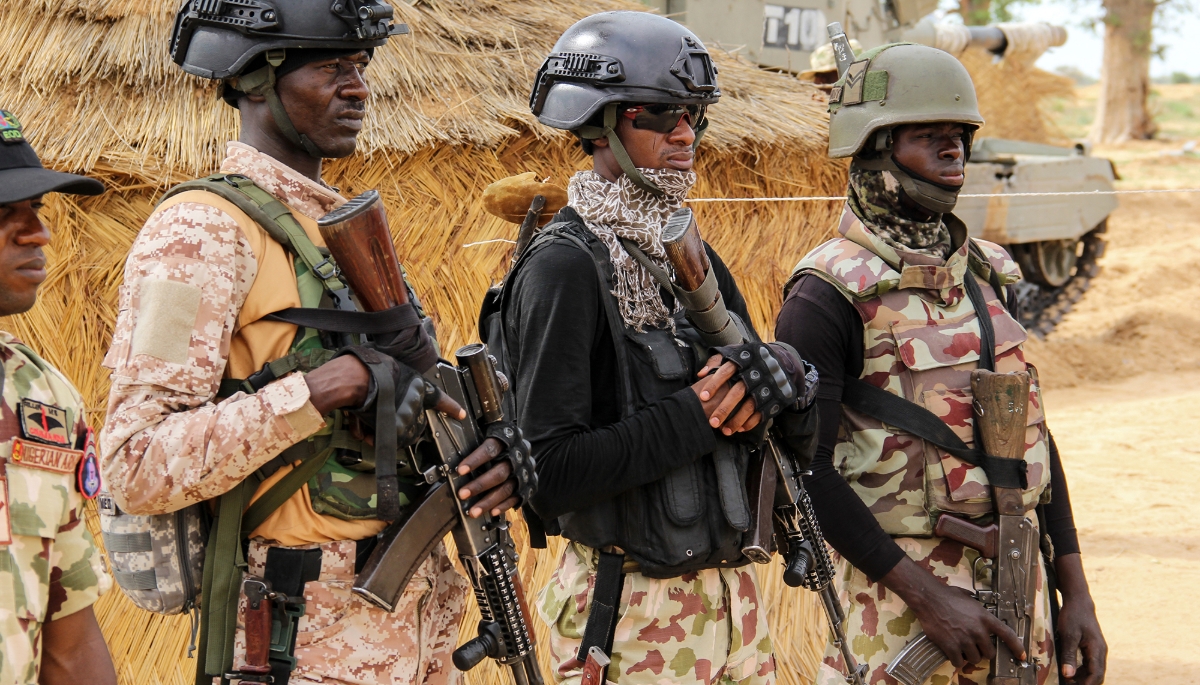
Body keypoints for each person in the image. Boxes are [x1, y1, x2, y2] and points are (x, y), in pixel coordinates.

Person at [99, 3, 520, 683]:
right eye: (331, 67)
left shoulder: (338, 231)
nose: (358, 88)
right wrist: (325, 388)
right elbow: (135, 461)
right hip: (297, 644)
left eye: (361, 66)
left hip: (412, 639)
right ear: (256, 80)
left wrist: (489, 450)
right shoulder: (200, 235)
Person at [775, 43, 1107, 685]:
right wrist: (927, 596)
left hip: (1019, 593)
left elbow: (1033, 438)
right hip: (900, 611)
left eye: (960, 137)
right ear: (874, 149)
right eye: (931, 137)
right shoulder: (826, 294)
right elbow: (804, 471)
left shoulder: (988, 275)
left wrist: (1077, 590)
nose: (954, 153)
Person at [510, 12, 818, 685]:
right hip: (624, 620)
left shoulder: (691, 256)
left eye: (695, 117)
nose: (686, 134)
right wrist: (701, 413)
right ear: (601, 122)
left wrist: (791, 381)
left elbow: (769, 425)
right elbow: (547, 474)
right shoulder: (564, 267)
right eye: (662, 114)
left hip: (735, 611)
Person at [0, 109, 117, 685]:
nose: (37, 233)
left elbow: (68, 631)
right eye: (3, 214)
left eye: (35, 211)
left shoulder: (39, 394)